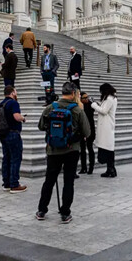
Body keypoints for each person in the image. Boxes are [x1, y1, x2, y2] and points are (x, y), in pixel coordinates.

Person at [36, 81, 91, 223]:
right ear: (73, 93)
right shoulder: (77, 110)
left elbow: (41, 126)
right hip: (71, 150)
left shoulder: (50, 108)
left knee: (49, 180)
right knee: (68, 181)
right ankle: (65, 213)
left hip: (53, 150)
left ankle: (42, 210)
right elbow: (87, 131)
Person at [0, 85, 27, 193]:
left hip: (3, 134)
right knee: (16, 158)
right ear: (12, 93)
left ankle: (6, 183)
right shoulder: (13, 103)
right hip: (13, 134)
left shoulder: (1, 103)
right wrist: (23, 118)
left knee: (6, 158)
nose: (16, 93)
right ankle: (14, 184)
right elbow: (16, 116)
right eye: (15, 91)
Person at [92, 83, 118, 178]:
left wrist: (94, 105)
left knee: (108, 148)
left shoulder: (110, 99)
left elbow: (104, 111)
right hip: (106, 125)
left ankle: (111, 169)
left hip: (106, 126)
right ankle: (110, 169)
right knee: (108, 148)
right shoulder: (110, 98)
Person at [79, 91, 96, 175]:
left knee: (90, 148)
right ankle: (83, 167)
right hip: (82, 130)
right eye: (84, 98)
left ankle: (91, 167)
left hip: (90, 130)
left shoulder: (91, 104)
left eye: (87, 97)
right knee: (82, 149)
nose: (86, 99)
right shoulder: (80, 106)